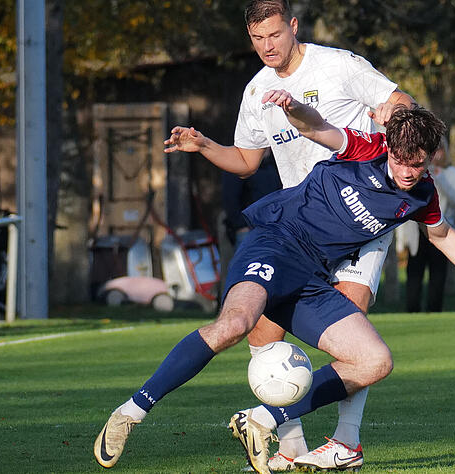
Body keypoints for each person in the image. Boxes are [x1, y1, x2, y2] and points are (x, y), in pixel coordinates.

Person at [94, 91, 455, 474]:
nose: (406, 170)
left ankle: (266, 419)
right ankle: (130, 412)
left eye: (417, 164)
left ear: (430, 159)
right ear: (389, 148)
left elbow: (443, 236)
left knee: (374, 361)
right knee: (234, 325)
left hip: (311, 278)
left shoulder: (421, 195)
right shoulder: (364, 148)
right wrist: (293, 110)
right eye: (401, 160)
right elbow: (320, 127)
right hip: (273, 241)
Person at [104, 0, 417, 471]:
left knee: (355, 327)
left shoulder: (339, 65)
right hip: (298, 227)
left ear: (293, 27)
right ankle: (288, 443)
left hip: (357, 222)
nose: (267, 46)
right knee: (262, 336)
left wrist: (388, 141)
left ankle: (346, 441)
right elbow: (248, 161)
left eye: (274, 35)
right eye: (257, 39)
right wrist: (204, 145)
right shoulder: (256, 91)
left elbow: (401, 106)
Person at [403, 137, 455, 312]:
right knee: (415, 272)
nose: (436, 154)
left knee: (438, 274)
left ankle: (434, 310)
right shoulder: (416, 170)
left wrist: (441, 178)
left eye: (439, 150)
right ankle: (412, 311)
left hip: (442, 228)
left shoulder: (451, 172)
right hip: (418, 229)